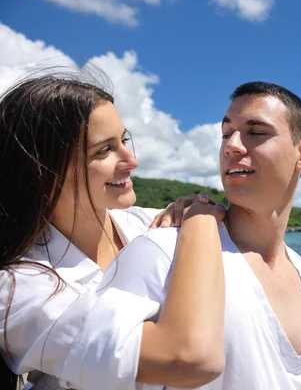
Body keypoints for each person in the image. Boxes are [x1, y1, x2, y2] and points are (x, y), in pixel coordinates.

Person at [96, 81, 301, 389]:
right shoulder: (163, 253)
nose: (232, 145)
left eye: (256, 132)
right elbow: (95, 372)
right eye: (226, 134)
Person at [0, 73, 226, 390]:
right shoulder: (21, 291)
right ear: (43, 170)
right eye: (104, 150)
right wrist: (200, 221)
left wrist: (199, 206)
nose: (131, 160)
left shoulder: (148, 224)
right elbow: (187, 358)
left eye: (124, 140)